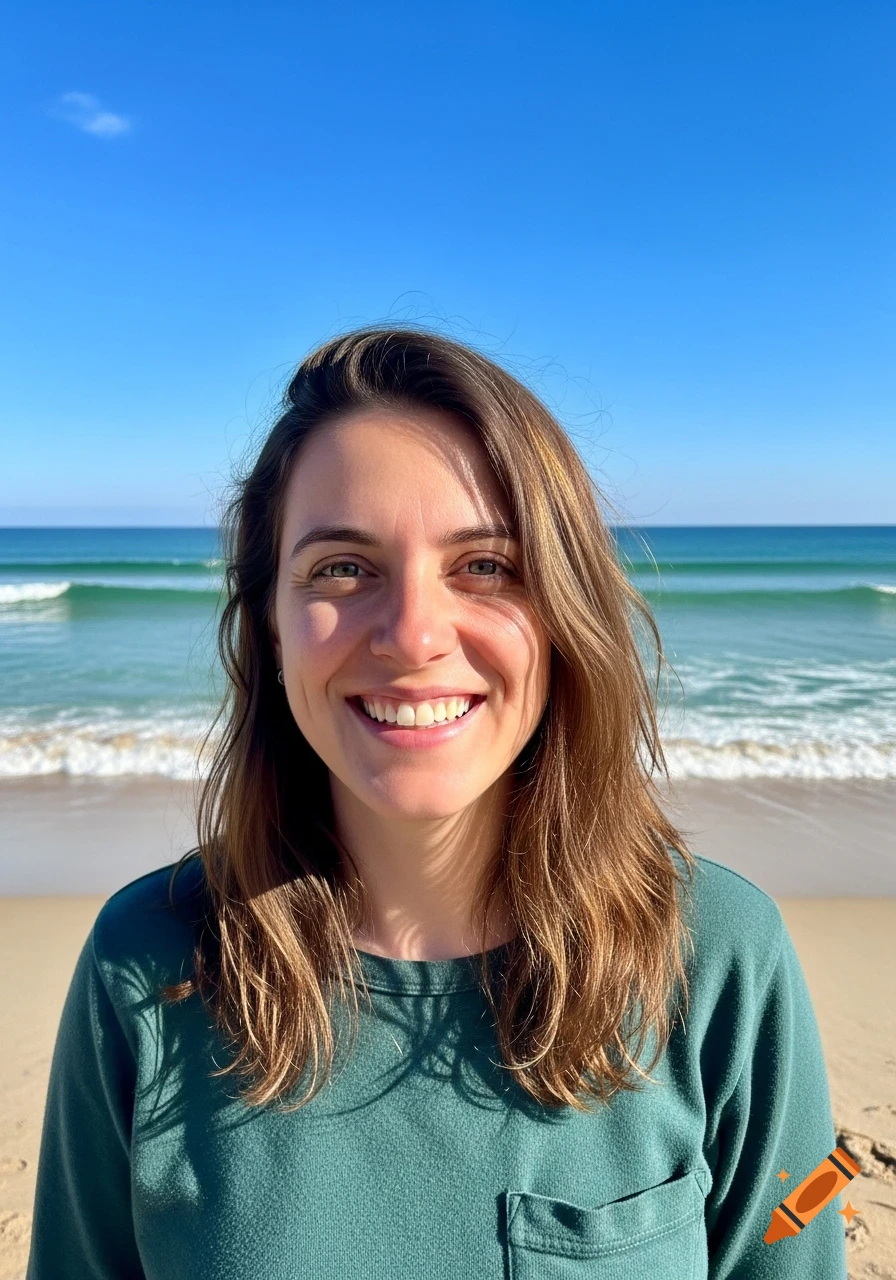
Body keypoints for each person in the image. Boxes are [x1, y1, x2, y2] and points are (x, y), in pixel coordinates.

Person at [26, 326, 847, 1279]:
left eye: (486, 566)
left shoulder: (716, 957)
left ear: (565, 611)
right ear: (273, 626)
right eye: (342, 567)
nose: (413, 634)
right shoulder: (147, 965)